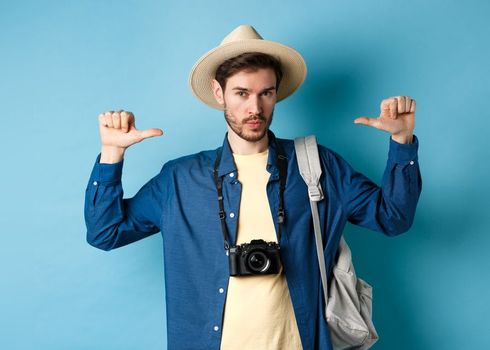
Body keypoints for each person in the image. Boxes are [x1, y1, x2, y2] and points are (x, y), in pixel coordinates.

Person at [83, 25, 422, 350]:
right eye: (242, 93)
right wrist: (112, 154)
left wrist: (401, 140)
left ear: (276, 93)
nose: (255, 108)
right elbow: (105, 233)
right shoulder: (179, 180)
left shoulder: (317, 166)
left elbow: (392, 218)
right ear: (220, 93)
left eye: (266, 94)